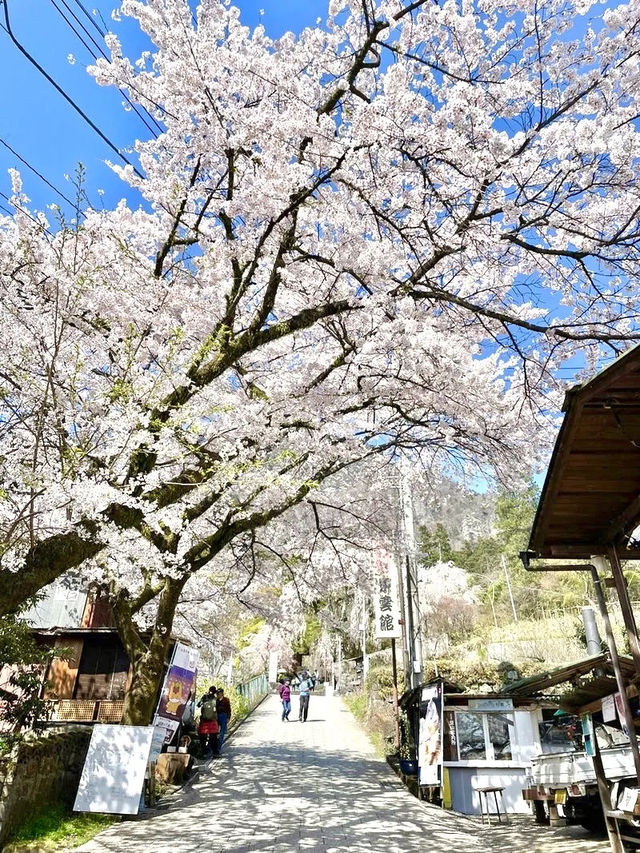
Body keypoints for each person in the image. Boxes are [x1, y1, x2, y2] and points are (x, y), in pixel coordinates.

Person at [197, 685, 219, 758]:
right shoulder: (216, 699)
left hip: (204, 721)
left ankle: (203, 753)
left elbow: (198, 705)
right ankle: (215, 753)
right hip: (213, 722)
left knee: (203, 739)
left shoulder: (204, 697)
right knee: (214, 738)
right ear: (215, 692)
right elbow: (219, 709)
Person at [216, 687, 232, 751]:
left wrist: (228, 717)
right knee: (215, 732)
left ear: (222, 693)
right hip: (216, 716)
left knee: (222, 733)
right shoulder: (216, 700)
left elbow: (229, 709)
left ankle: (219, 748)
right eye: (217, 694)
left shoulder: (226, 700)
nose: (218, 695)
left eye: (219, 693)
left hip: (223, 716)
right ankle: (214, 747)